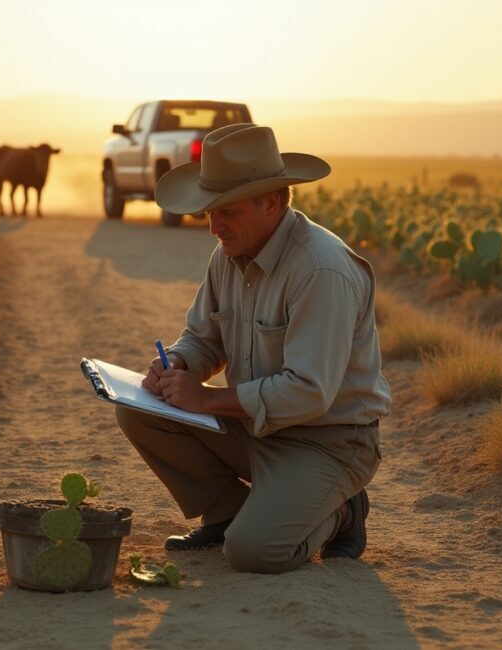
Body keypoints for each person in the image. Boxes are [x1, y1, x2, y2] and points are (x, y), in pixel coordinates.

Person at [116, 123, 390, 574]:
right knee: (138, 409)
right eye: (209, 210)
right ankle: (225, 514)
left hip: (328, 441)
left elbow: (308, 391)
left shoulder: (321, 269)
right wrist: (180, 363)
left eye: (227, 211)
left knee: (255, 553)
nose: (213, 227)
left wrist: (205, 399)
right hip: (257, 427)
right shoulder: (228, 252)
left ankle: (343, 512)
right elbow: (204, 338)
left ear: (273, 202)